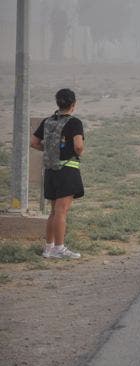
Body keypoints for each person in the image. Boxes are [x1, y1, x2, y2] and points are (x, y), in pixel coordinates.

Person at [30, 88, 84, 259]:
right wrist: (78, 152)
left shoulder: (47, 121)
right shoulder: (74, 123)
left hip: (51, 170)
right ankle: (59, 248)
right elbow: (78, 146)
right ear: (73, 105)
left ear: (57, 103)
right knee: (62, 211)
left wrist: (50, 151)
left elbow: (34, 142)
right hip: (67, 169)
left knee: (53, 211)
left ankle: (49, 247)